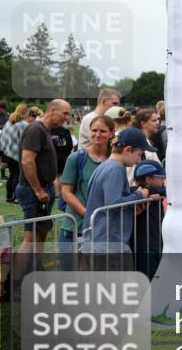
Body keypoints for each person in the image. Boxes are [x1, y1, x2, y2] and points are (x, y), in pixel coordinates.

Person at [15, 99, 71, 279]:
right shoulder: (35, 130)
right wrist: (38, 190)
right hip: (33, 191)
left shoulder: (45, 131)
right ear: (52, 110)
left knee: (41, 233)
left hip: (43, 189)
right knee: (30, 237)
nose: (67, 118)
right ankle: (16, 282)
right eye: (65, 113)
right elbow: (27, 161)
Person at [82, 128, 158, 262]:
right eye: (139, 154)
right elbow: (112, 203)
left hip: (99, 240)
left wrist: (131, 207)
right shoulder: (115, 169)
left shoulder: (105, 166)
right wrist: (139, 195)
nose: (139, 160)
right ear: (128, 150)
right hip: (108, 243)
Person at [59, 115, 114, 263]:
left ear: (111, 133)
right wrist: (89, 214)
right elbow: (66, 192)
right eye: (94, 130)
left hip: (103, 230)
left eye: (102, 131)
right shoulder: (76, 158)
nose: (97, 134)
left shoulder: (115, 160)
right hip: (75, 226)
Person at [131, 159, 166, 279]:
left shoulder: (154, 193)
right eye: (161, 178)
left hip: (156, 245)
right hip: (144, 248)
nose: (163, 182)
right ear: (148, 179)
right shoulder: (135, 194)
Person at [0, 104, 30, 203]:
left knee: (12, 175)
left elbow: (2, 137)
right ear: (25, 112)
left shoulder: (9, 122)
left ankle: (9, 196)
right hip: (17, 153)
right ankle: (17, 197)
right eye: (28, 112)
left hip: (7, 152)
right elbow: (27, 139)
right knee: (18, 175)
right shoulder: (23, 124)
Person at [128, 109, 161, 185]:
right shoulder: (139, 143)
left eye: (158, 120)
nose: (157, 123)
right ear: (143, 123)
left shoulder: (146, 141)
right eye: (154, 120)